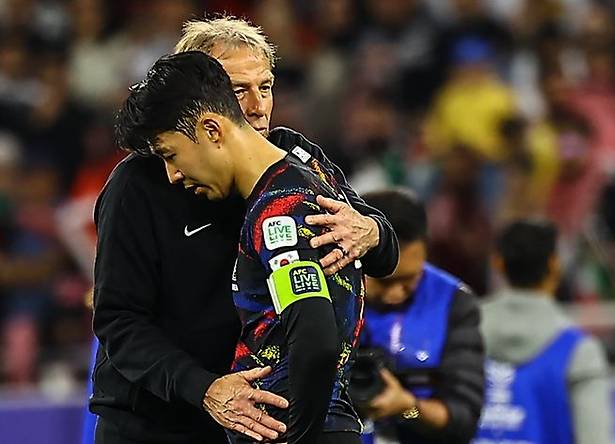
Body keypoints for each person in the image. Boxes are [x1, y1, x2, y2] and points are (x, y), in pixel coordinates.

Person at [92, 17, 399, 444]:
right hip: (158, 424)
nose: (257, 106)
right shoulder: (140, 184)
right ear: (200, 101)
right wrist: (204, 389)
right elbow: (119, 321)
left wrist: (370, 231)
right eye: (238, 90)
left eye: (266, 87)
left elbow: (385, 252)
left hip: (261, 422)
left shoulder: (296, 160)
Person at [356, 188, 484, 444]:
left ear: (425, 251)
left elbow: (463, 420)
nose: (396, 294)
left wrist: (407, 408)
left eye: (409, 280)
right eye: (384, 281)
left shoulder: (453, 302)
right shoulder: (321, 297)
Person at [474, 219, 612, 444]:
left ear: (498, 263)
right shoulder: (579, 352)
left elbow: (418, 414)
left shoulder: (460, 333)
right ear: (555, 265)